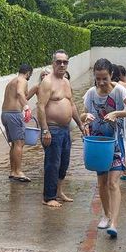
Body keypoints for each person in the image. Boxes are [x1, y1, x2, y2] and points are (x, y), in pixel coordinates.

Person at [82, 59, 126, 238]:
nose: (101, 83)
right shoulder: (91, 93)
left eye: (104, 79)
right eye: (98, 79)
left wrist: (117, 113)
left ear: (110, 76)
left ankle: (114, 223)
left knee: (113, 182)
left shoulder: (119, 91)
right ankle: (106, 215)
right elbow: (82, 113)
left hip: (116, 144)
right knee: (101, 182)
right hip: (98, 144)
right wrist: (86, 117)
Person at [37, 50, 86, 208]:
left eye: (65, 62)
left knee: (64, 162)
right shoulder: (47, 82)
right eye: (59, 62)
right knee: (52, 163)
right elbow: (40, 107)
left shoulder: (66, 82)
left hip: (65, 129)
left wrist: (80, 125)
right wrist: (45, 130)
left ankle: (59, 191)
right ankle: (49, 196)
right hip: (52, 129)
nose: (62, 65)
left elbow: (71, 105)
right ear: (53, 63)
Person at [1, 63, 33, 182]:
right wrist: (26, 107)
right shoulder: (22, 80)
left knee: (14, 144)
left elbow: (19, 96)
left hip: (5, 114)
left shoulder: (12, 82)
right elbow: (20, 93)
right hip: (14, 114)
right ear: (28, 73)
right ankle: (18, 171)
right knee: (20, 143)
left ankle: (13, 171)